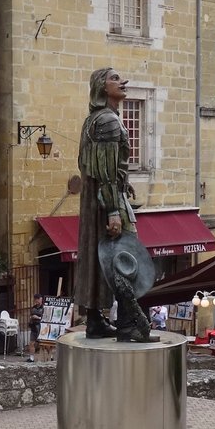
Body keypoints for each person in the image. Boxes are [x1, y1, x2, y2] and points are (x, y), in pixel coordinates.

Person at [74, 67, 152, 342]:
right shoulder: (107, 121)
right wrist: (114, 210)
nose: (123, 82)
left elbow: (99, 165)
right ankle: (128, 324)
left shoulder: (96, 119)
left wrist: (124, 180)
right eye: (115, 79)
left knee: (100, 258)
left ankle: (95, 321)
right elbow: (104, 171)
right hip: (106, 200)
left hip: (102, 197)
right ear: (101, 87)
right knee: (124, 257)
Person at [27, 293, 43, 362]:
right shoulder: (33, 308)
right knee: (31, 343)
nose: (37, 301)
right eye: (35, 299)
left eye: (38, 299)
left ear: (41, 299)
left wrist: (38, 317)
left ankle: (49, 356)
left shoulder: (44, 308)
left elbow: (45, 318)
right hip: (33, 327)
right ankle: (31, 358)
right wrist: (31, 317)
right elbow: (30, 315)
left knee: (43, 344)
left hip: (41, 327)